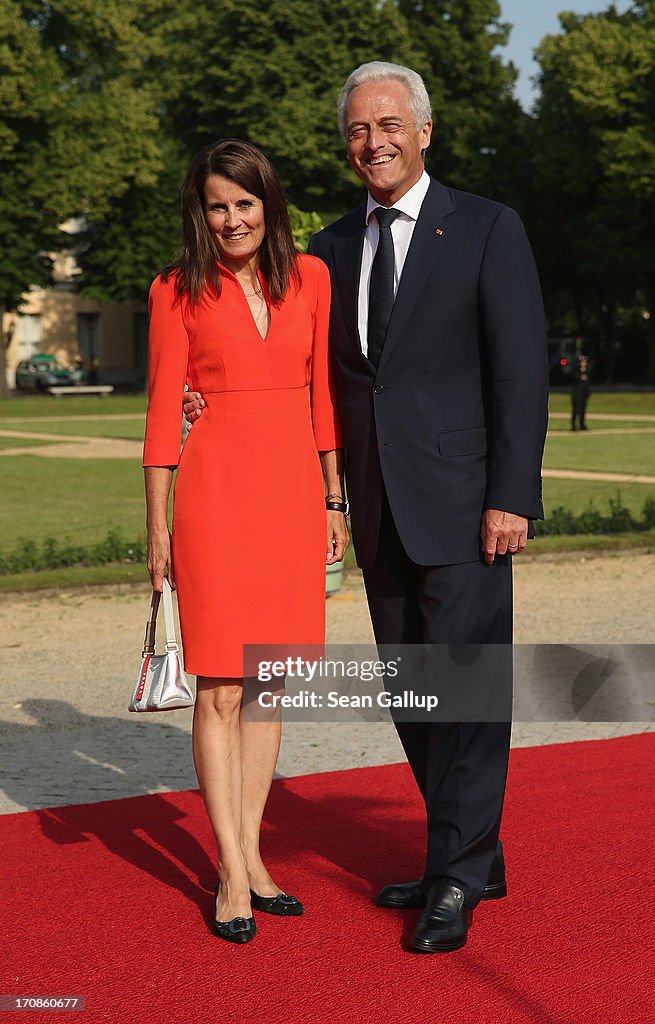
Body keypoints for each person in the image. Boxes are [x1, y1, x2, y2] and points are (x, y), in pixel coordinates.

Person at [185, 62, 549, 953]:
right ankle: (472, 851)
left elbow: (518, 372)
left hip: (467, 508)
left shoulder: (488, 229)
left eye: (389, 124)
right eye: (356, 129)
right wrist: (201, 398)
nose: (372, 140)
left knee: (464, 690)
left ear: (424, 132)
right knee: (417, 697)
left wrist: (511, 496)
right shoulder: (326, 253)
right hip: (377, 510)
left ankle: (456, 876)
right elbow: (297, 368)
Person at [144, 139, 348, 945]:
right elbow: (163, 411)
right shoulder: (174, 288)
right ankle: (230, 870)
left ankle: (255, 857)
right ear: (200, 212)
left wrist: (334, 500)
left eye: (244, 204)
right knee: (221, 688)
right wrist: (156, 524)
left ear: (269, 206)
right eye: (216, 206)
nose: (231, 219)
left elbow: (323, 395)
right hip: (215, 497)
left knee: (270, 684)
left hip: (293, 494)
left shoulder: (313, 279)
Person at [570, 353, 591, 430]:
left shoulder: (587, 373)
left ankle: (582, 424)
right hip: (576, 393)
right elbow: (573, 376)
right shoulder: (576, 372)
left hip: (584, 393)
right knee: (575, 410)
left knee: (583, 409)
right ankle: (573, 425)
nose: (584, 363)